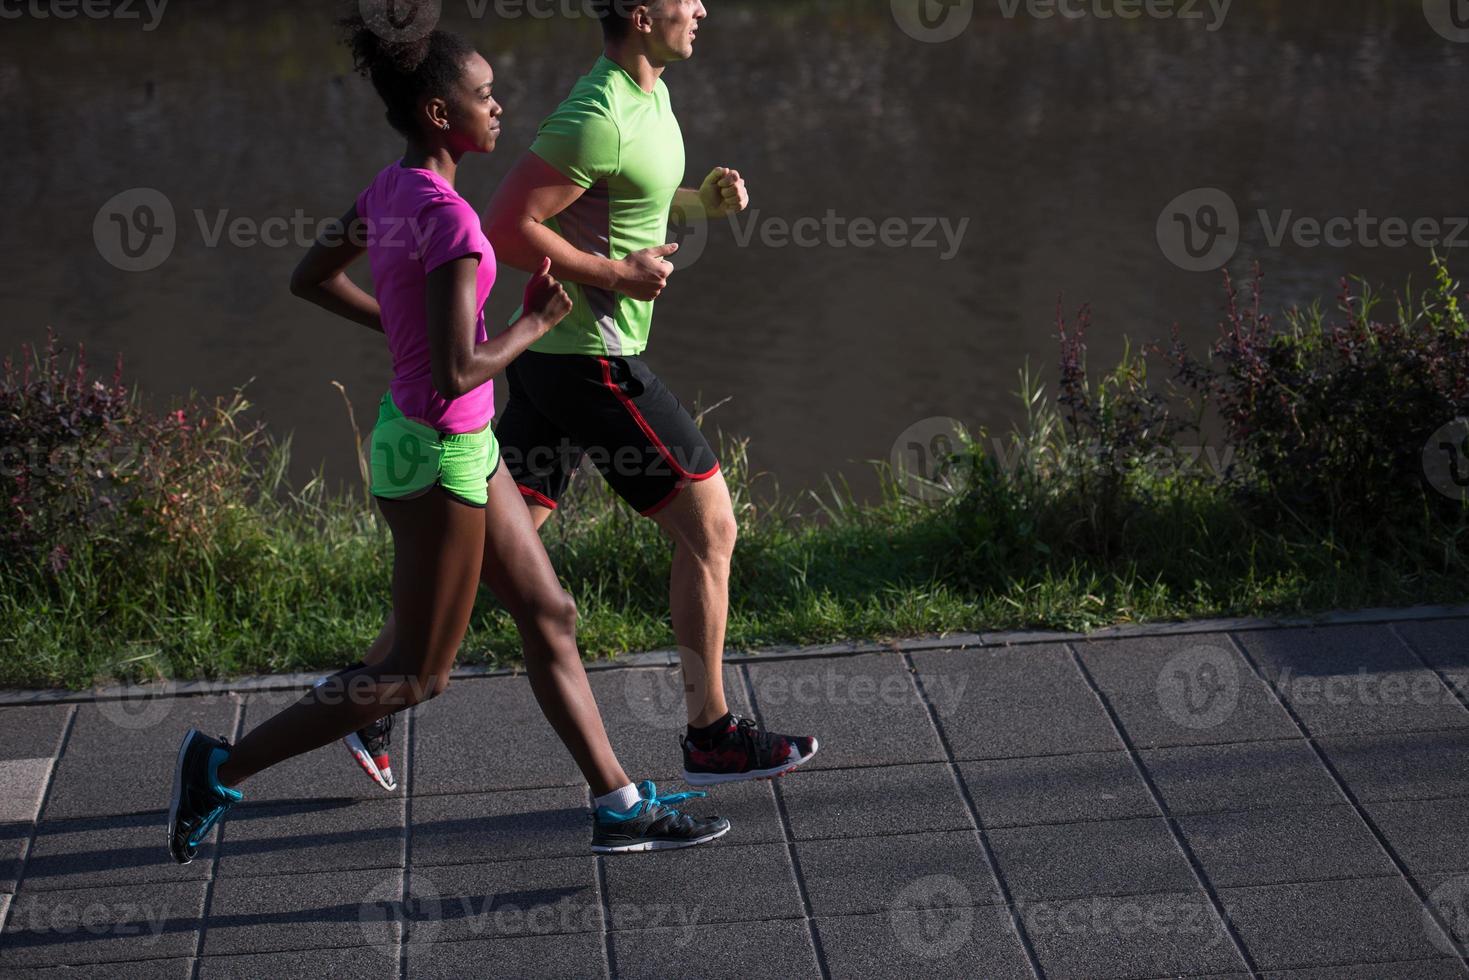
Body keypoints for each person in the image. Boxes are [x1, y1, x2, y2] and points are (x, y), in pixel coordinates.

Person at [166, 7, 730, 865]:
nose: (498, 109)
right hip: (435, 454)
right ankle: (220, 764)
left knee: (549, 613)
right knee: (416, 678)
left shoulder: (391, 191)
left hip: (448, 443)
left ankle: (616, 802)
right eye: (484, 96)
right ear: (441, 116)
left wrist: (404, 333)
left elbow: (310, 277)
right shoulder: (456, 225)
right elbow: (461, 373)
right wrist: (536, 322)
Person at [344, 0, 820, 790]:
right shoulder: (595, 114)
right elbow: (506, 226)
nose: (699, 8)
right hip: (584, 357)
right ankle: (710, 731)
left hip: (559, 358)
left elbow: (619, 203)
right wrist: (616, 277)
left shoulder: (650, 95)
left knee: (498, 548)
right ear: (640, 15)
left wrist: (702, 202)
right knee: (711, 528)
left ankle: (370, 698)